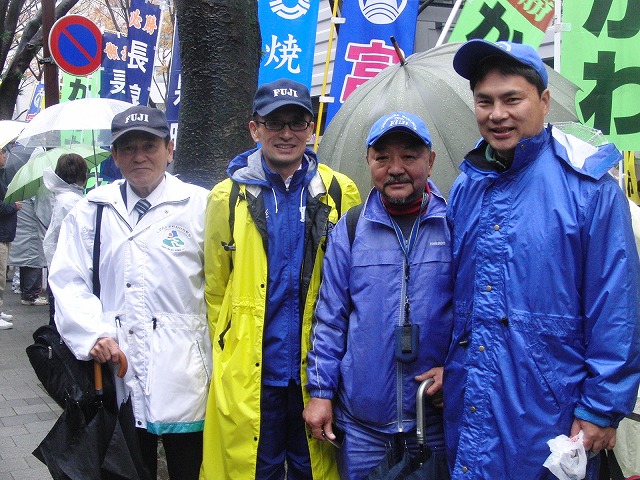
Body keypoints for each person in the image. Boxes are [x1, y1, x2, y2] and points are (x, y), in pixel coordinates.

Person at [445, 39, 640, 479]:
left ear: (544, 100)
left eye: (512, 99)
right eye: (485, 101)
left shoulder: (589, 187)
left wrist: (602, 408)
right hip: (473, 400)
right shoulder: (467, 185)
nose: (497, 114)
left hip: (554, 414)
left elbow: (616, 308)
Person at [201, 78, 361, 479]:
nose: (287, 134)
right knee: (256, 470)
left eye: (297, 122)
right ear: (255, 129)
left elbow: (353, 284)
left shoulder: (340, 191)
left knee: (317, 469)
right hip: (253, 370)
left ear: (312, 128)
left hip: (318, 371)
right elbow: (215, 286)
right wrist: (228, 345)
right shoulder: (227, 196)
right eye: (275, 123)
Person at [48, 105, 211, 480]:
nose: (139, 156)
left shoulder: (199, 206)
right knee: (126, 468)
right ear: (114, 157)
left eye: (149, 146)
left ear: (169, 150)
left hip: (186, 368)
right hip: (116, 366)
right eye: (127, 148)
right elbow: (68, 279)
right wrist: (94, 334)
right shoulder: (91, 211)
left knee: (190, 467)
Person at [302, 112, 453, 479]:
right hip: (363, 427)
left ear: (430, 161)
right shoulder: (351, 230)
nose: (395, 168)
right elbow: (330, 319)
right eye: (382, 157)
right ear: (369, 162)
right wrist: (320, 393)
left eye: (409, 156)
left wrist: (457, 371)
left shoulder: (455, 226)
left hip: (435, 421)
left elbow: (476, 315)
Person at [42, 153, 88, 324]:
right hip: (67, 268)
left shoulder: (61, 196)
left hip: (57, 265)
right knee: (62, 318)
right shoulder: (72, 202)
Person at [0, 146, 22, 329]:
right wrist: (13, 206)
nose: (4, 156)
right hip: (1, 233)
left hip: (5, 233)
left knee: (2, 275)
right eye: (1, 153)